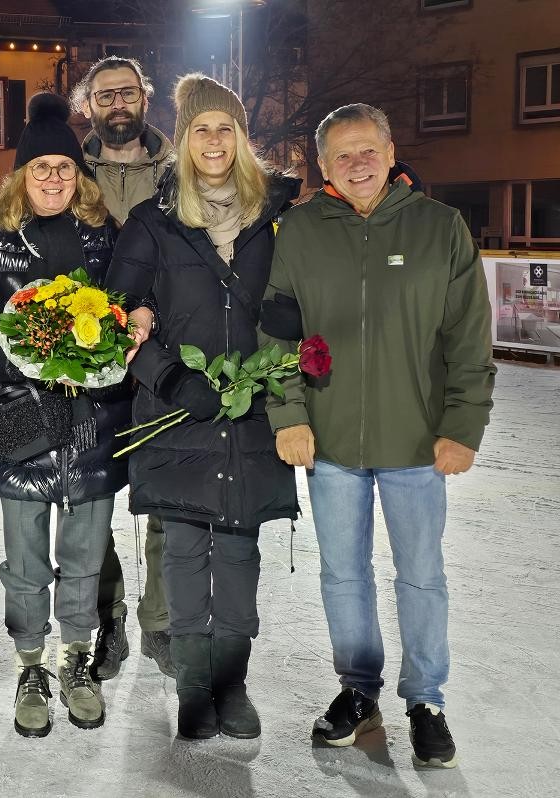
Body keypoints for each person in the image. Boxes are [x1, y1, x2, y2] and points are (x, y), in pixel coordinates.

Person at [260, 103, 495, 768]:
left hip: (417, 444)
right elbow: (276, 330)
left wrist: (462, 426)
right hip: (330, 441)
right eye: (343, 154)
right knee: (343, 575)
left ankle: (425, 701)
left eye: (368, 150)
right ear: (323, 165)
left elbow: (469, 340)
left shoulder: (440, 227)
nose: (357, 163)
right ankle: (359, 690)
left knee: (421, 575)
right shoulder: (299, 230)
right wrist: (289, 414)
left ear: (391, 154)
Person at [105, 74, 300, 740]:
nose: (213, 141)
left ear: (242, 138)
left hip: (253, 413)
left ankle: (232, 685)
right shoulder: (153, 222)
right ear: (184, 139)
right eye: (200, 129)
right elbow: (115, 318)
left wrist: (284, 348)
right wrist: (169, 378)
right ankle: (193, 687)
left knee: (240, 554)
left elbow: (308, 297)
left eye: (225, 128)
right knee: (185, 554)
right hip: (177, 414)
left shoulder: (278, 216)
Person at [0, 92, 131, 737]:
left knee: (85, 554)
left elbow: (125, 313)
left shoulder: (104, 235)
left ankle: (75, 660)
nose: (53, 178)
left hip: (92, 419)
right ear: (21, 175)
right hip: (21, 419)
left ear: (79, 174)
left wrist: (105, 351)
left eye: (64, 168)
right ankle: (31, 664)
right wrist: (25, 354)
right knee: (25, 560)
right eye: (40, 168)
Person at [72, 54, 176, 681]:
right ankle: (107, 616)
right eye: (105, 95)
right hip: (88, 359)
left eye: (127, 93)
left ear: (144, 98)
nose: (118, 104)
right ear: (88, 105)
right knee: (92, 500)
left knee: (165, 494)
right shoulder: (67, 168)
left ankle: (160, 619)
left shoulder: (178, 169)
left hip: (164, 354)